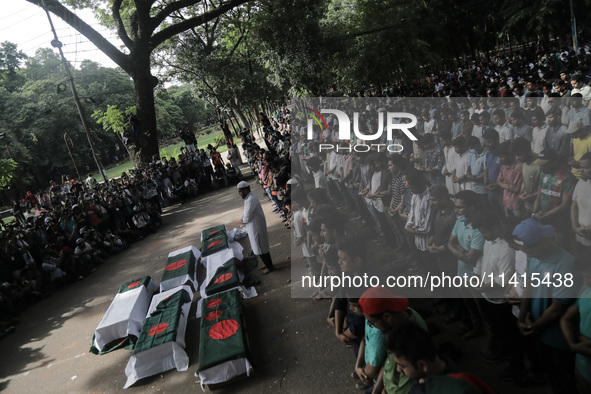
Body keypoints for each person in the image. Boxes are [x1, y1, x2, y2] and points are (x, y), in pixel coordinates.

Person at [513, 218, 579, 394]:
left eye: (528, 250)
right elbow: (529, 285)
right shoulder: (534, 255)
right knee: (550, 373)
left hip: (558, 336)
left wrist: (533, 327)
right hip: (538, 329)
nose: (527, 255)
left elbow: (557, 309)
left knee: (565, 377)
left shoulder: (566, 265)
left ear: (540, 243)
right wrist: (523, 316)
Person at [237, 181, 274, 274]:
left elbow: (248, 216)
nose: (239, 193)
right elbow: (245, 212)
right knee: (258, 247)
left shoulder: (251, 199)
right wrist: (242, 219)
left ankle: (270, 266)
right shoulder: (248, 198)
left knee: (261, 247)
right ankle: (267, 264)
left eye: (240, 191)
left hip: (256, 227)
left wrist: (243, 220)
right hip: (252, 226)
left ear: (245, 190)